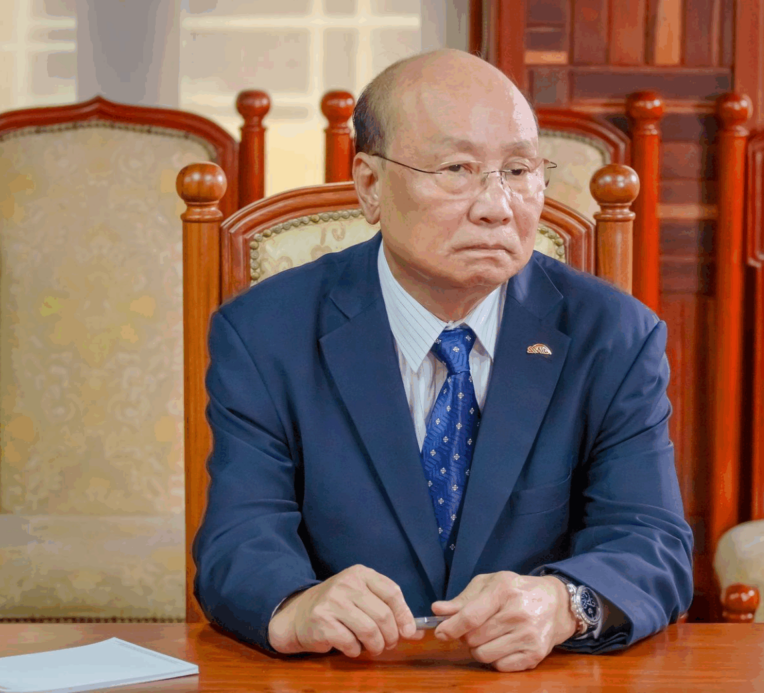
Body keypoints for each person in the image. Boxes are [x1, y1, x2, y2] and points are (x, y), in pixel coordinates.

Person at [192, 48, 693, 672]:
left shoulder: (613, 335)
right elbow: (238, 537)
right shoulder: (266, 332)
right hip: (346, 676)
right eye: (458, 168)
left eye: (519, 170)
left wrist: (563, 602)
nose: (497, 206)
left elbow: (652, 541)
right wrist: (297, 605)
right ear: (370, 186)